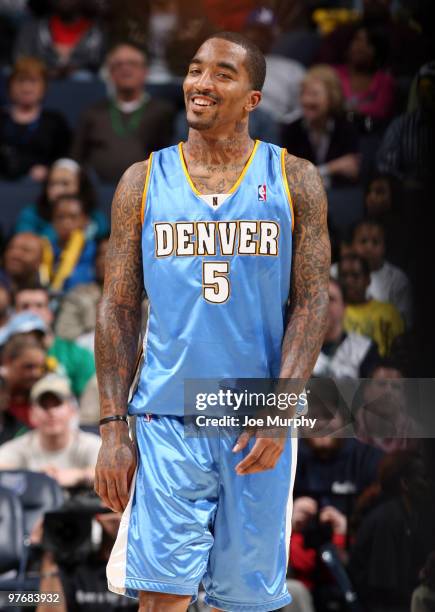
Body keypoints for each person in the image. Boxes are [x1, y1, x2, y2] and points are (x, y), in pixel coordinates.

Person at [94, 31, 330, 612]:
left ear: (253, 98)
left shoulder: (295, 179)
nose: (201, 84)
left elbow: (312, 302)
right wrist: (111, 428)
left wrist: (281, 411)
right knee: (161, 598)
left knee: (244, 605)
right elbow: (118, 308)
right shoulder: (141, 181)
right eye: (196, 70)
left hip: (255, 418)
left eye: (222, 74)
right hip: (166, 413)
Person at [72, 42, 175, 183]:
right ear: (110, 73)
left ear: (145, 71)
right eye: (118, 65)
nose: (125, 68)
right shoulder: (93, 112)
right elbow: (76, 157)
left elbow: (170, 159)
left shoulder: (162, 112)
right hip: (98, 192)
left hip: (147, 192)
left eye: (132, 63)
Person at [0, 373, 100, 489]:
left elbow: (115, 472)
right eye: (44, 406)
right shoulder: (22, 446)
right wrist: (34, 477)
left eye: (57, 404)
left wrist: (80, 475)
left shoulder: (89, 444)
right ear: (32, 414)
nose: (51, 412)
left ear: (72, 410)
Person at [281, 65, 360, 189]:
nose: (306, 100)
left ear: (332, 97)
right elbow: (291, 178)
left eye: (314, 94)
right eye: (303, 94)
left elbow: (352, 170)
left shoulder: (346, 128)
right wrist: (332, 168)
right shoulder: (291, 130)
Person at [12, 284, 96, 399]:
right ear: (13, 314)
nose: (32, 312)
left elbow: (88, 403)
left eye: (39, 306)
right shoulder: (4, 354)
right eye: (25, 307)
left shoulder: (78, 355)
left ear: (50, 313)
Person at [0, 57, 71, 181]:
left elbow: (66, 159)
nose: (26, 88)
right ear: (10, 85)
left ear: (44, 87)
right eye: (20, 81)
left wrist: (49, 171)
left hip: (44, 189)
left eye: (33, 81)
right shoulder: (2, 119)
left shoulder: (55, 122)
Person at [14, 158, 109, 242]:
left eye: (65, 184)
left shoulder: (95, 217)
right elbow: (23, 243)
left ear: (81, 187)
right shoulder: (31, 214)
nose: (58, 190)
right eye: (52, 184)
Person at [13, 0, 105, 78]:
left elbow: (101, 67)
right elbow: (20, 62)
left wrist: (72, 68)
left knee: (83, 76)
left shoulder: (97, 33)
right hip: (37, 83)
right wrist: (47, 71)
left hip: (84, 89)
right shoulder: (32, 30)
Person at [313, 277, 380, 379]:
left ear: (344, 307)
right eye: (317, 298)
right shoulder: (293, 346)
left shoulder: (365, 348)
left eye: (331, 299)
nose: (323, 305)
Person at [351, 218, 413, 327]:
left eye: (375, 242)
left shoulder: (397, 279)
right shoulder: (336, 272)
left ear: (384, 247)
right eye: (363, 241)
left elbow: (404, 323)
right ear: (352, 245)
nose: (369, 248)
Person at [339, 253, 404, 356]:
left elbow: (400, 350)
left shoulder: (388, 312)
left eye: (355, 276)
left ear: (367, 280)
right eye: (344, 276)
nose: (348, 281)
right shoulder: (332, 311)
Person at [334, 25, 395, 130]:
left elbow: (380, 111)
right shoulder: (333, 74)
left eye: (368, 43)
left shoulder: (385, 81)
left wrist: (347, 110)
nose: (360, 47)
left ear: (378, 51)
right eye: (357, 40)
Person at [54, 236, 108, 340]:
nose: (103, 260)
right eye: (100, 255)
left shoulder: (143, 300)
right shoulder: (78, 296)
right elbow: (64, 336)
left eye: (112, 253)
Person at [44, 194, 97, 292]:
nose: (66, 223)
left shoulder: (95, 250)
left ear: (86, 220)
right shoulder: (44, 249)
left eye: (73, 217)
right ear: (52, 220)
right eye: (60, 217)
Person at [0, 332, 46, 426]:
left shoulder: (45, 395)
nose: (36, 374)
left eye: (41, 367)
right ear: (8, 362)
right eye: (29, 367)